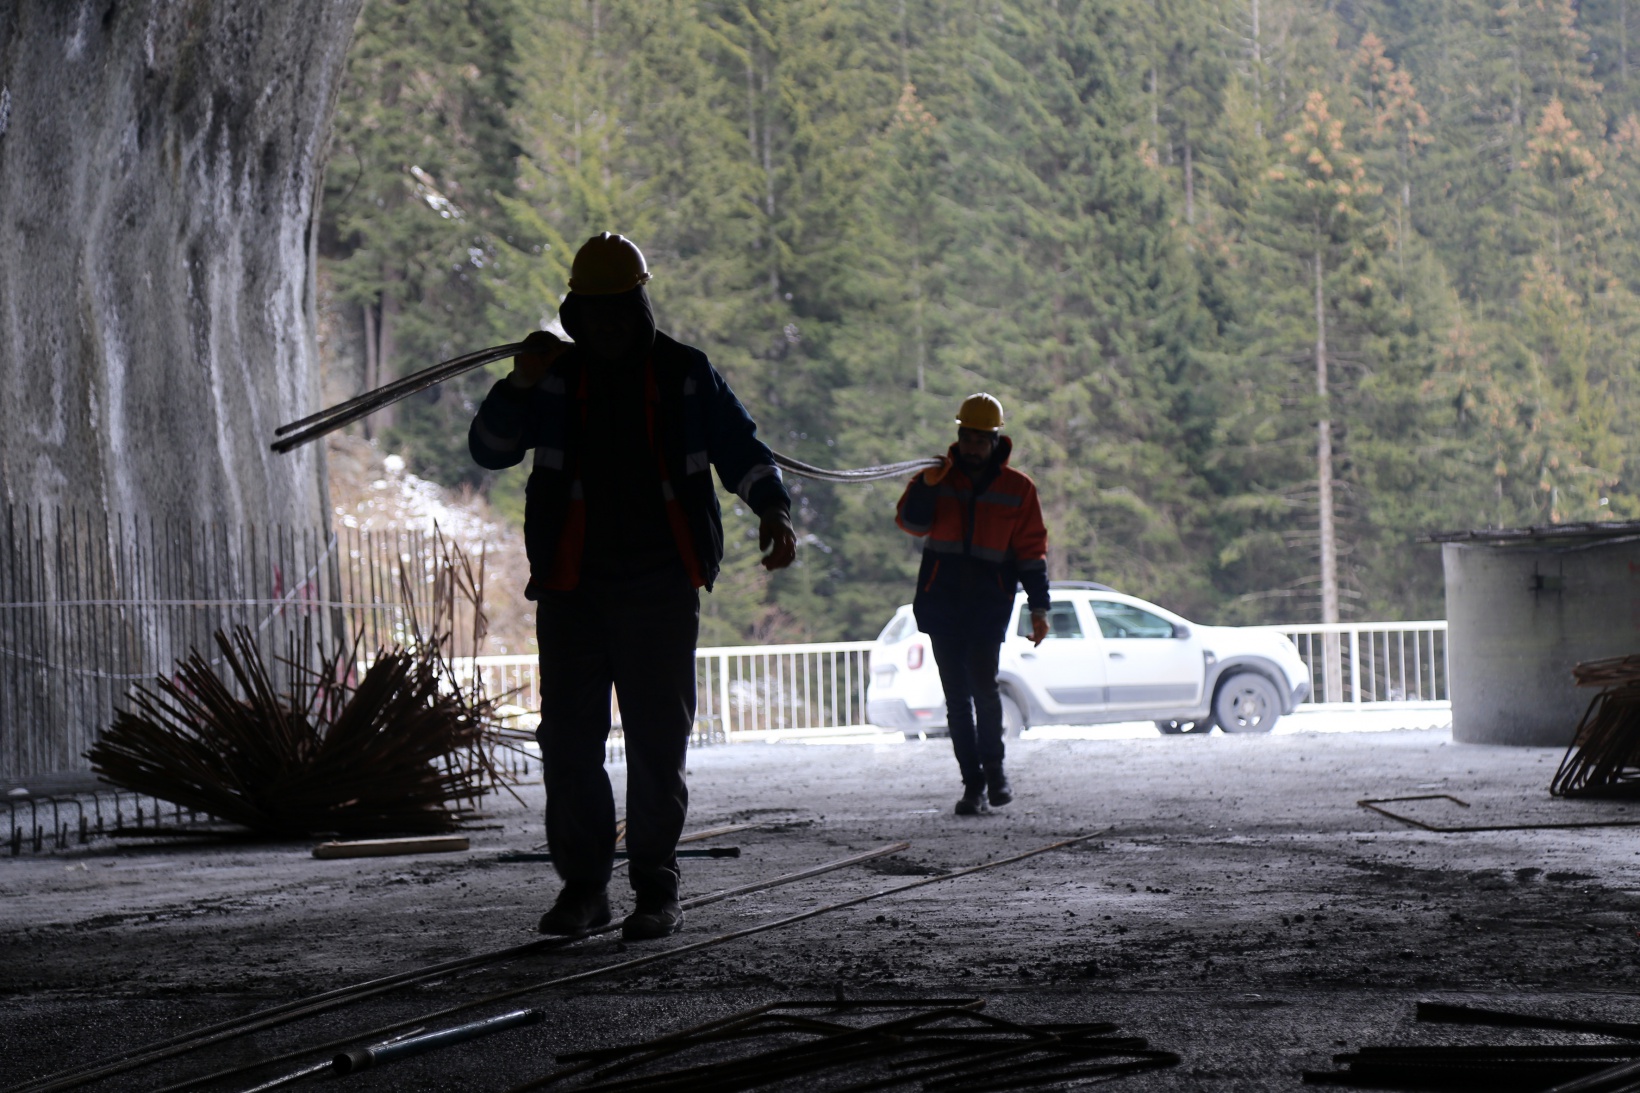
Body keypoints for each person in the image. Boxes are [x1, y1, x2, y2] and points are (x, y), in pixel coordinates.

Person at [469, 233, 796, 940]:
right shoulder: (552, 375)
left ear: (644, 303)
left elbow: (741, 447)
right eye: (601, 310)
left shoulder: (685, 373)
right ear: (577, 311)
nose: (616, 323)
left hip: (658, 586)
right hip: (572, 587)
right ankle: (584, 888)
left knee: (656, 739)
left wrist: (773, 509)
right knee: (568, 741)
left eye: (627, 307)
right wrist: (519, 382)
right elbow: (488, 450)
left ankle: (656, 885)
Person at [895, 394, 1050, 815]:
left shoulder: (1019, 489)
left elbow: (1031, 552)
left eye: (982, 439)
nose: (973, 447)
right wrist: (927, 487)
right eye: (967, 437)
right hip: (942, 604)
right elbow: (909, 521)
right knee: (956, 699)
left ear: (996, 439)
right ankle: (973, 785)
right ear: (959, 435)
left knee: (984, 691)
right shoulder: (936, 477)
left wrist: (1039, 608)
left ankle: (996, 774)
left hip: (987, 606)